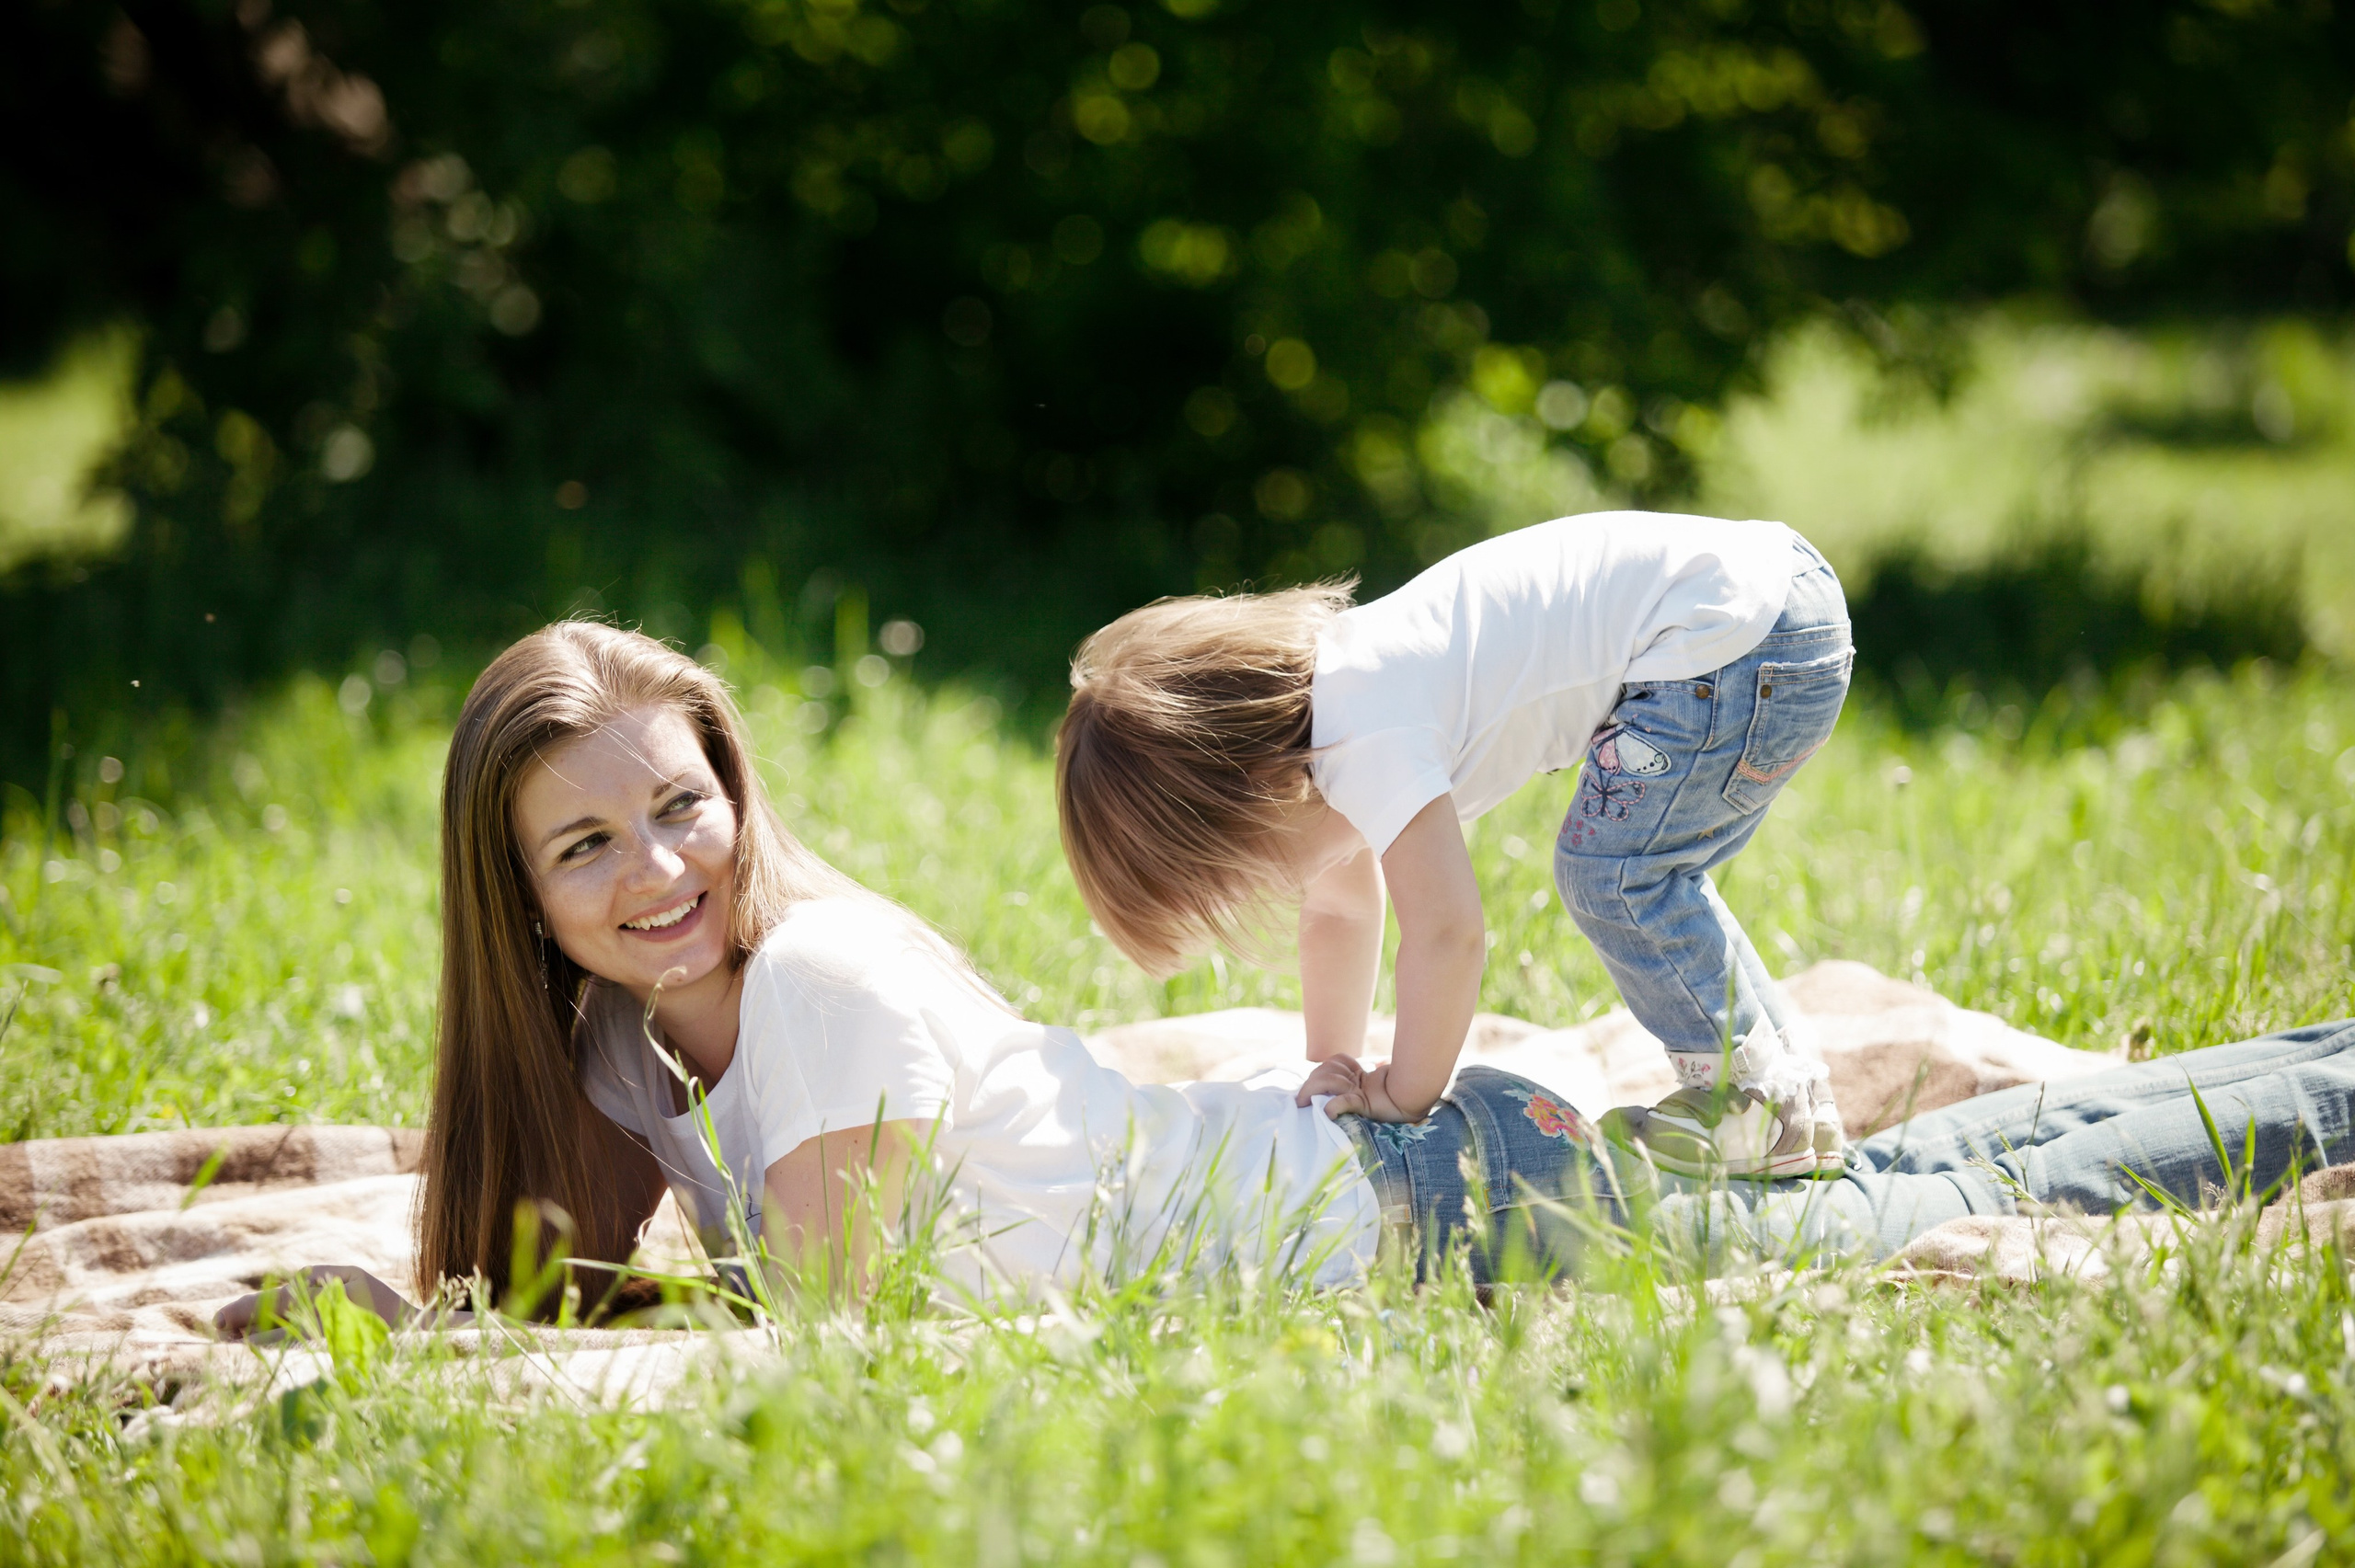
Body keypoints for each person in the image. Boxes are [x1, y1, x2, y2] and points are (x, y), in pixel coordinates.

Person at [219, 623, 2355, 1333]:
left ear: (736, 792)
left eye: (677, 805)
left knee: (1977, 1193)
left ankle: (2318, 1080)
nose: (654, 868)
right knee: (1961, 1169)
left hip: (1433, 1207)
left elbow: (830, 1340)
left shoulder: (827, 991)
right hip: (1398, 1189)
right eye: (582, 843)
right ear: (513, 895)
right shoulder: (613, 1049)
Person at [1056, 510, 1852, 1180]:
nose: (1264, 890)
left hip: (1736, 641)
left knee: (1615, 876)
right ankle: (1784, 1097)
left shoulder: (1357, 732)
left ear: (1259, 786)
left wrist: (1403, 1094)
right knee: (1653, 874)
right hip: (1768, 608)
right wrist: (1328, 1073)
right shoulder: (1341, 702)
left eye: (1241, 872)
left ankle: (1748, 1107)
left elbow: (1448, 932)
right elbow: (1339, 907)